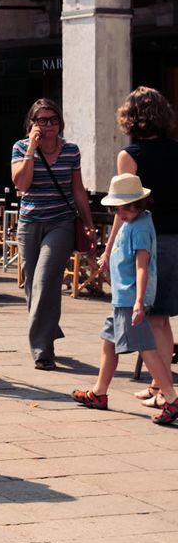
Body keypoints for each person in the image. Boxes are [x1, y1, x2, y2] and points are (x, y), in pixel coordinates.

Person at [73, 173, 178, 424]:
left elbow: (143, 266)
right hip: (122, 299)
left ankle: (172, 399)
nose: (119, 214)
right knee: (108, 342)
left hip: (130, 300)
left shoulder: (139, 228)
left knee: (146, 350)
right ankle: (99, 393)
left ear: (138, 205)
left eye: (124, 209)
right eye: (116, 210)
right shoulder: (137, 221)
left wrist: (140, 302)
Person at [11, 98, 97, 370]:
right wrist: (32, 149)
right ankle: (48, 329)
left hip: (60, 223)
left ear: (60, 123)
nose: (48, 126)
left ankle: (41, 349)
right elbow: (21, 184)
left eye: (53, 120)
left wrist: (88, 222)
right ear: (32, 124)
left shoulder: (71, 150)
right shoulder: (21, 147)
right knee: (31, 284)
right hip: (30, 222)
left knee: (46, 281)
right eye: (42, 120)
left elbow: (78, 190)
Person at [105, 87, 178, 408]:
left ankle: (165, 391)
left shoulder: (130, 155)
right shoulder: (177, 150)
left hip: (150, 241)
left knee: (156, 319)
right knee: (161, 317)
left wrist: (108, 248)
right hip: (176, 239)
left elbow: (126, 207)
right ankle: (156, 383)